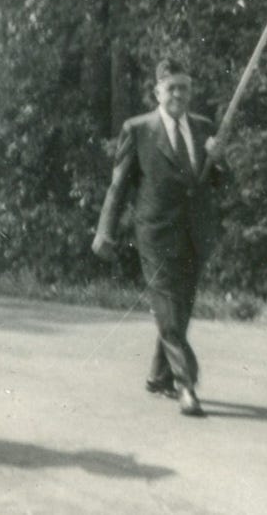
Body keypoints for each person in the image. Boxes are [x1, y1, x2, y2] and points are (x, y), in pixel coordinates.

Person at [92, 57, 225, 417]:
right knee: (167, 302)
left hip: (195, 233)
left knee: (179, 308)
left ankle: (158, 376)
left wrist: (220, 158)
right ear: (157, 92)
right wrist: (106, 229)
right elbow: (118, 186)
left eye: (184, 87)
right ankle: (186, 384)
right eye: (172, 88)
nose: (179, 94)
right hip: (155, 232)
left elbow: (218, 181)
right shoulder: (138, 129)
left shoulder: (203, 127)